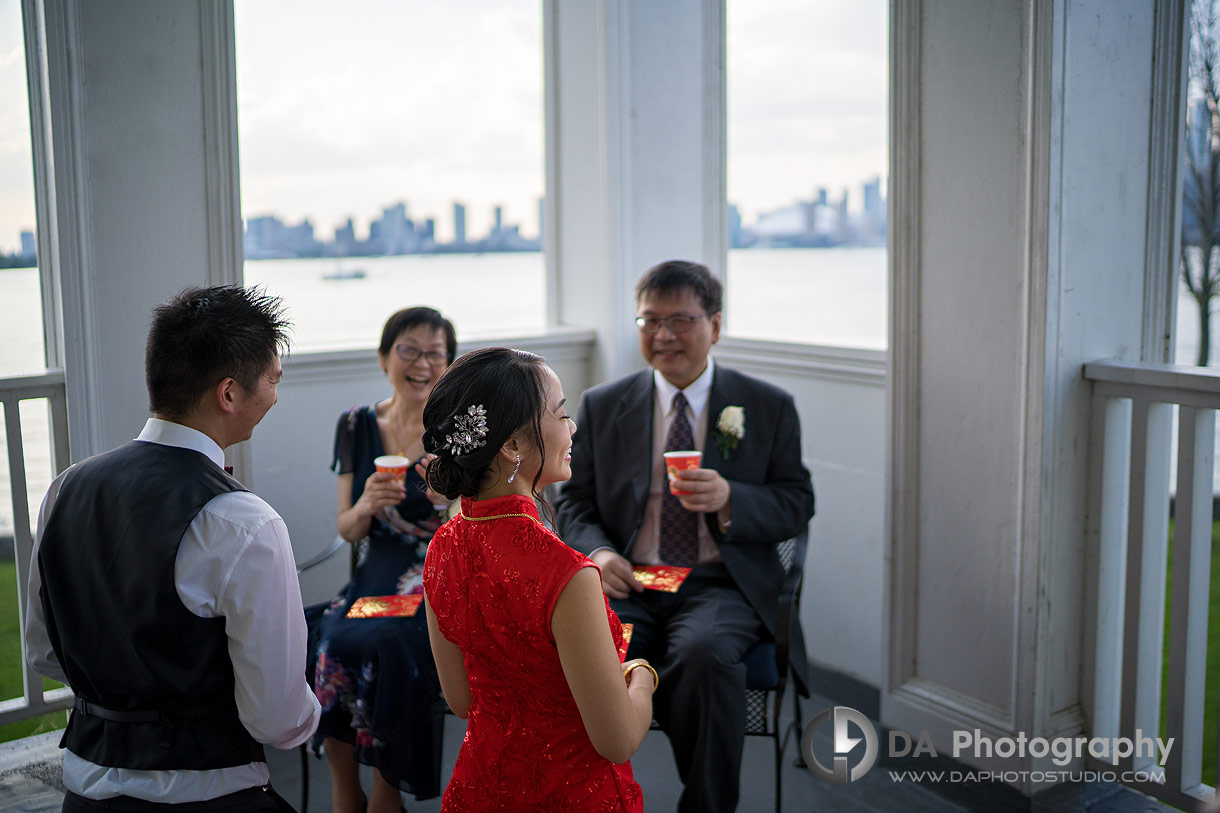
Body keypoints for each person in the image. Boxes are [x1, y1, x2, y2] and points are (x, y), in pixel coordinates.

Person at [24, 285, 320, 812]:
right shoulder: (244, 522)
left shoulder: (65, 488)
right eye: (273, 379)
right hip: (209, 794)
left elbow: (45, 653)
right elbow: (278, 720)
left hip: (85, 793)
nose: (275, 394)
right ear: (229, 393)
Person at [554, 259, 815, 812]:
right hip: (630, 582)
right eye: (649, 321)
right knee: (586, 655)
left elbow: (797, 502)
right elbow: (572, 501)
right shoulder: (603, 405)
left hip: (718, 583)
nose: (664, 334)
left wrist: (731, 500)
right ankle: (583, 799)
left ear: (715, 326)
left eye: (680, 320)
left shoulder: (767, 406)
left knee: (704, 655)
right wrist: (598, 553)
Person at [421, 347, 655, 811]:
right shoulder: (567, 574)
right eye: (562, 414)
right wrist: (643, 675)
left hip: (483, 786)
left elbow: (463, 701)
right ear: (512, 445)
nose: (572, 429)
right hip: (569, 792)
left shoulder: (442, 547)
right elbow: (618, 740)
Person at [307, 306, 457, 813]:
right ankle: (345, 791)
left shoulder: (455, 435)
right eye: (409, 351)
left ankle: (385, 795)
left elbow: (473, 531)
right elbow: (346, 528)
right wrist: (367, 504)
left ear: (449, 365)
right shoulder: (355, 424)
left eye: (435, 354)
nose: (422, 364)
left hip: (434, 578)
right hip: (374, 574)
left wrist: (449, 500)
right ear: (384, 358)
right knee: (330, 643)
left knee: (389, 645)